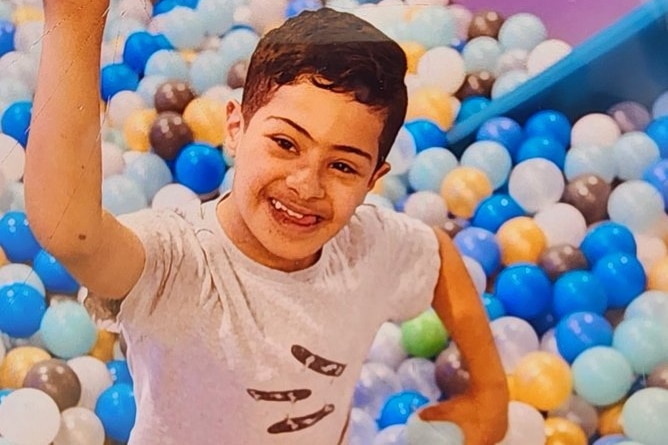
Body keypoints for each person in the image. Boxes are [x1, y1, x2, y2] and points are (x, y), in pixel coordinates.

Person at [25, 2, 508, 444]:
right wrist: (74, 20)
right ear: (235, 126)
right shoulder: (178, 262)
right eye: (285, 143)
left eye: (343, 166)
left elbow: (437, 254)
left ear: (374, 179)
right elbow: (73, 233)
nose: (306, 184)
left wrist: (490, 392)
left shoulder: (368, 247)